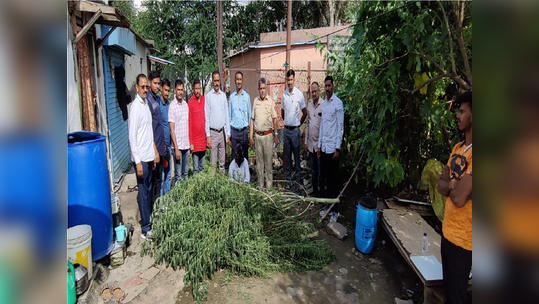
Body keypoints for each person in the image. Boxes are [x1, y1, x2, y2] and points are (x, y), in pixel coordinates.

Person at [437, 91, 472, 304]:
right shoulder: (457, 148)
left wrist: (451, 185)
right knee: (449, 295)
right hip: (447, 232)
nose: (457, 116)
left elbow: (459, 199)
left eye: (462, 111)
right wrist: (454, 184)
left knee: (458, 297)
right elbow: (441, 186)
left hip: (465, 241)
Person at [128, 74, 157, 239]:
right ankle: (145, 229)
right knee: (143, 194)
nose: (146, 89)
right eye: (143, 86)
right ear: (137, 88)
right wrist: (138, 162)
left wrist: (152, 155)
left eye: (147, 86)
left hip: (148, 156)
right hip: (141, 160)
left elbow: (148, 132)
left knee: (148, 191)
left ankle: (149, 221)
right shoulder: (136, 107)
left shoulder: (146, 104)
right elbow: (132, 137)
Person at [317, 76, 344, 223]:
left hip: (333, 148)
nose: (327, 88)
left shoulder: (337, 104)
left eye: (329, 86)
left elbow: (340, 127)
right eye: (325, 86)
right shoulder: (325, 105)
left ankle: (335, 211)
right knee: (326, 179)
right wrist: (320, 146)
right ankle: (327, 208)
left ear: (333, 86)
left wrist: (338, 148)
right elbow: (322, 126)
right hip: (325, 147)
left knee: (334, 181)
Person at [250, 77, 279, 189]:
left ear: (266, 88)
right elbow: (252, 119)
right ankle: (261, 187)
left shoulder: (270, 101)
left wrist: (276, 135)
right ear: (258, 89)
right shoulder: (255, 101)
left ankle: (269, 188)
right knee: (259, 164)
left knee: (268, 164)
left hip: (268, 136)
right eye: (260, 88)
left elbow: (274, 119)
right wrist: (251, 136)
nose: (262, 90)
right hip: (258, 136)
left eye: (264, 88)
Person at [281, 69, 307, 194]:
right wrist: (288, 122)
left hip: (296, 131)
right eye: (288, 80)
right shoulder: (284, 95)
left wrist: (298, 124)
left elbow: (305, 112)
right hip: (286, 131)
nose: (289, 82)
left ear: (294, 80)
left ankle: (297, 186)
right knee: (287, 158)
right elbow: (282, 112)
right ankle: (288, 183)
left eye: (291, 80)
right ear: (286, 80)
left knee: (297, 159)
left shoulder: (299, 94)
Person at [205, 70, 230, 172]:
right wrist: (208, 136)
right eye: (215, 81)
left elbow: (226, 115)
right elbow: (206, 117)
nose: (216, 83)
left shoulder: (223, 96)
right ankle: (213, 187)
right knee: (212, 165)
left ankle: (221, 186)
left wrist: (228, 133)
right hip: (213, 133)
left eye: (218, 81)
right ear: (212, 81)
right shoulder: (209, 96)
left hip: (222, 133)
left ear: (220, 81)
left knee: (222, 164)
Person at [147, 70, 166, 205]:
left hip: (160, 146)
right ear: (149, 83)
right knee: (154, 183)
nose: (157, 86)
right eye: (155, 83)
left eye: (158, 83)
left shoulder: (155, 99)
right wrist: (155, 151)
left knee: (158, 181)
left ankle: (157, 208)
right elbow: (149, 129)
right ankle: (154, 212)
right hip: (154, 150)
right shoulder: (147, 101)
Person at [169, 79, 190, 184]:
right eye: (178, 90)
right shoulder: (172, 106)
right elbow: (171, 130)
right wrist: (176, 149)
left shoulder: (186, 105)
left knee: (185, 174)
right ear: (175, 90)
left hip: (186, 146)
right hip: (178, 147)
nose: (180, 92)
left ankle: (185, 199)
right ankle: (178, 199)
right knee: (178, 176)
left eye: (182, 90)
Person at [304, 82, 323, 197]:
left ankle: (322, 195)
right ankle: (316, 194)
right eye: (312, 92)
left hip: (320, 146)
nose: (314, 93)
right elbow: (307, 125)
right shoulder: (309, 106)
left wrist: (321, 145)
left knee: (321, 172)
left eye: (315, 91)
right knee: (314, 172)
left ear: (319, 91)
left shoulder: (323, 105)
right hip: (311, 145)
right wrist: (305, 141)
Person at [229, 71, 251, 163]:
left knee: (244, 158)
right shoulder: (231, 97)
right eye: (237, 79)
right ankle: (235, 177)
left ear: (242, 81)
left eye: (240, 79)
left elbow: (250, 116)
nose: (238, 81)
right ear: (235, 81)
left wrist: (250, 135)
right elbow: (229, 117)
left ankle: (245, 177)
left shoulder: (246, 97)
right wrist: (229, 135)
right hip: (234, 133)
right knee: (234, 158)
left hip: (244, 132)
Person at [188, 79, 207, 175]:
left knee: (202, 168)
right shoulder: (190, 102)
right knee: (195, 169)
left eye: (199, 88)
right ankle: (196, 187)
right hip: (195, 142)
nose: (197, 91)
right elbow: (189, 123)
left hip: (203, 140)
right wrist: (191, 142)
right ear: (193, 89)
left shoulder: (204, 100)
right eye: (196, 88)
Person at [158, 78, 172, 195]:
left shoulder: (169, 105)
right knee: (161, 176)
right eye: (165, 90)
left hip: (169, 145)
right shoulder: (157, 104)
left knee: (168, 174)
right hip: (161, 146)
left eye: (168, 91)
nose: (166, 93)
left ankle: (167, 200)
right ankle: (160, 203)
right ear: (161, 89)